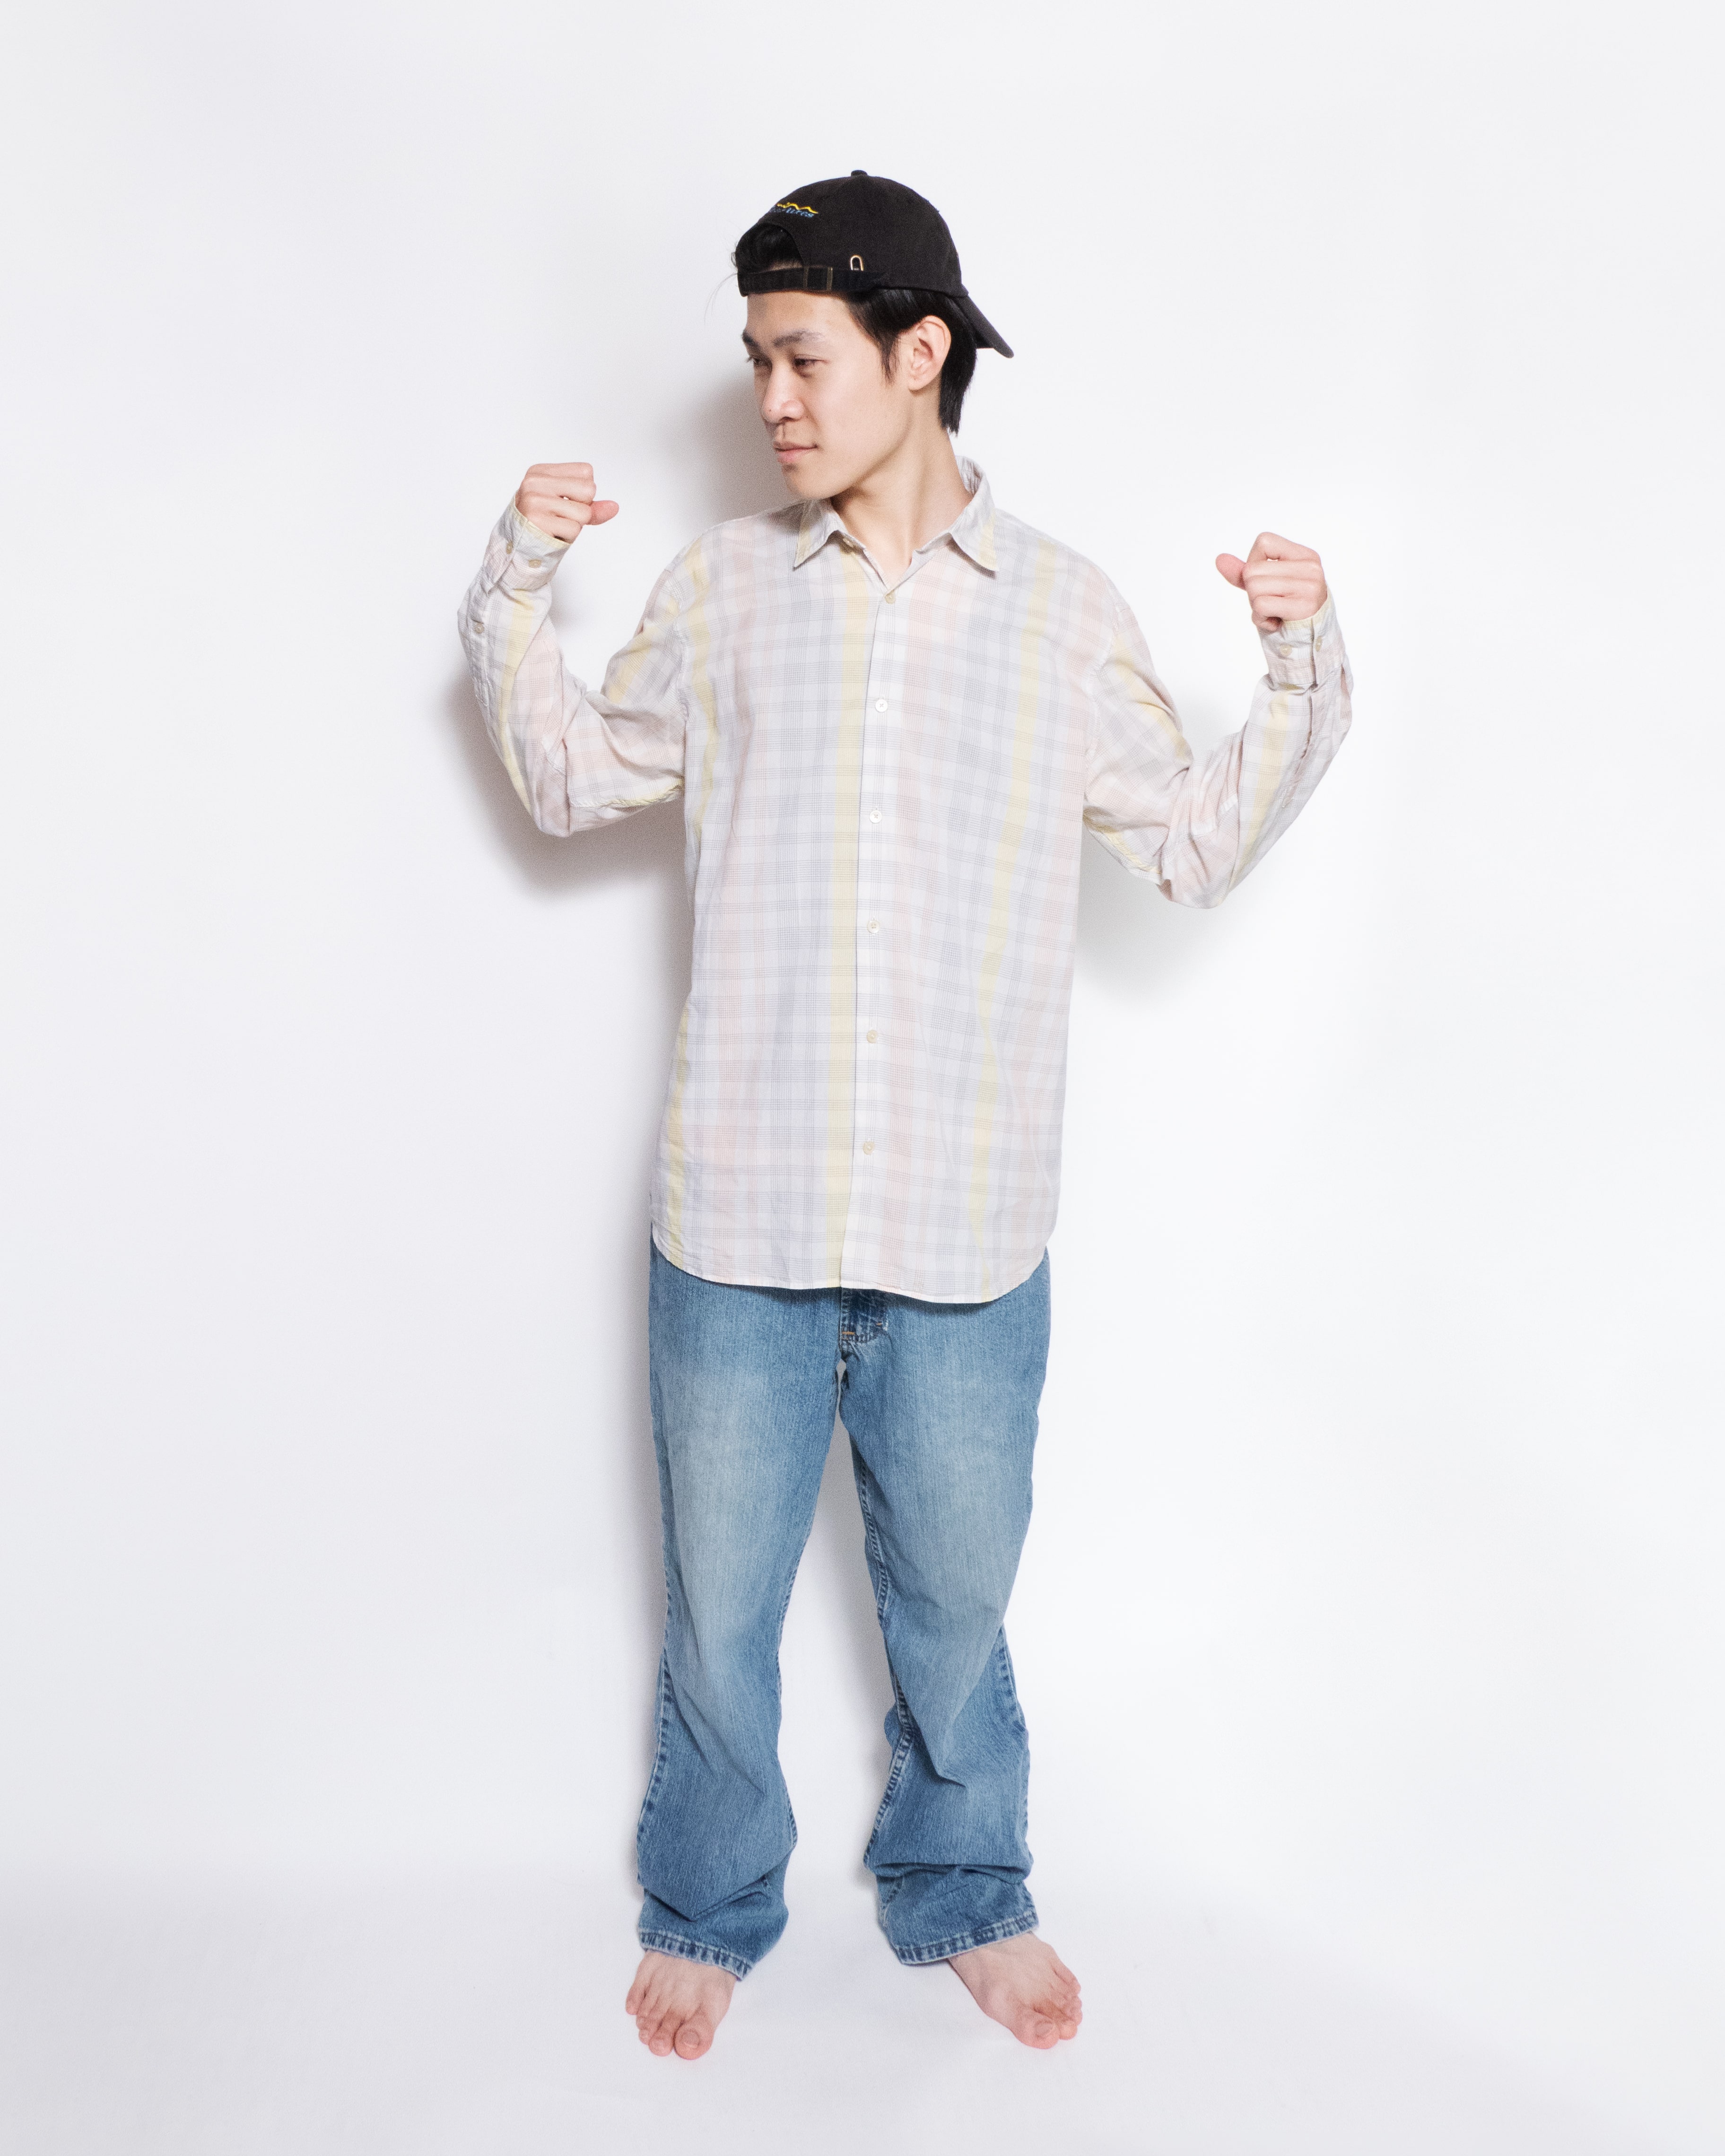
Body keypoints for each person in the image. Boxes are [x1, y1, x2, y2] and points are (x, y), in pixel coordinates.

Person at [456, 171, 1351, 2063]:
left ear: (921, 349)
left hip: (966, 1232)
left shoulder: (1064, 615)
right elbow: (571, 780)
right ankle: (711, 1899)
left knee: (954, 1606)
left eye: (805, 357)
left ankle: (963, 1885)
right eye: (756, 361)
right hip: (739, 1222)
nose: (773, 399)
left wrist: (1299, 665)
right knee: (718, 1613)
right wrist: (515, 586)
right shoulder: (720, 592)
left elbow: (1189, 848)